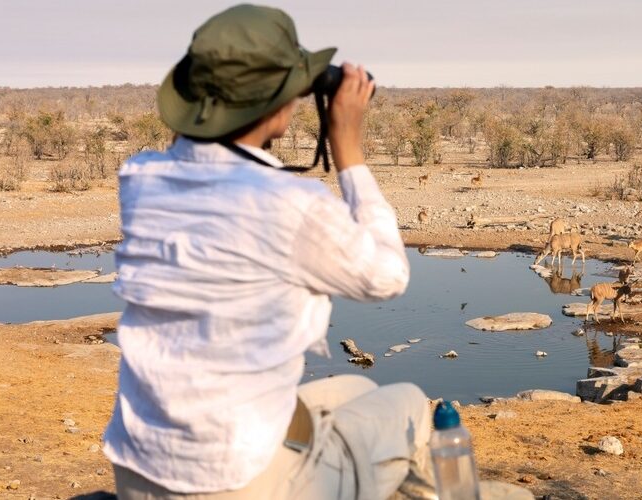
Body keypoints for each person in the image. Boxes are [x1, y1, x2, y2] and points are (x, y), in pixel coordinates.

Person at [102, 5, 433, 499]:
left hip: (138, 467)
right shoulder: (288, 204)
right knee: (410, 404)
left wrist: (228, 95)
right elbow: (387, 277)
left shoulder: (141, 177)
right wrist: (348, 147)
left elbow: (194, 150)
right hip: (233, 479)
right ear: (278, 105)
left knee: (360, 390)